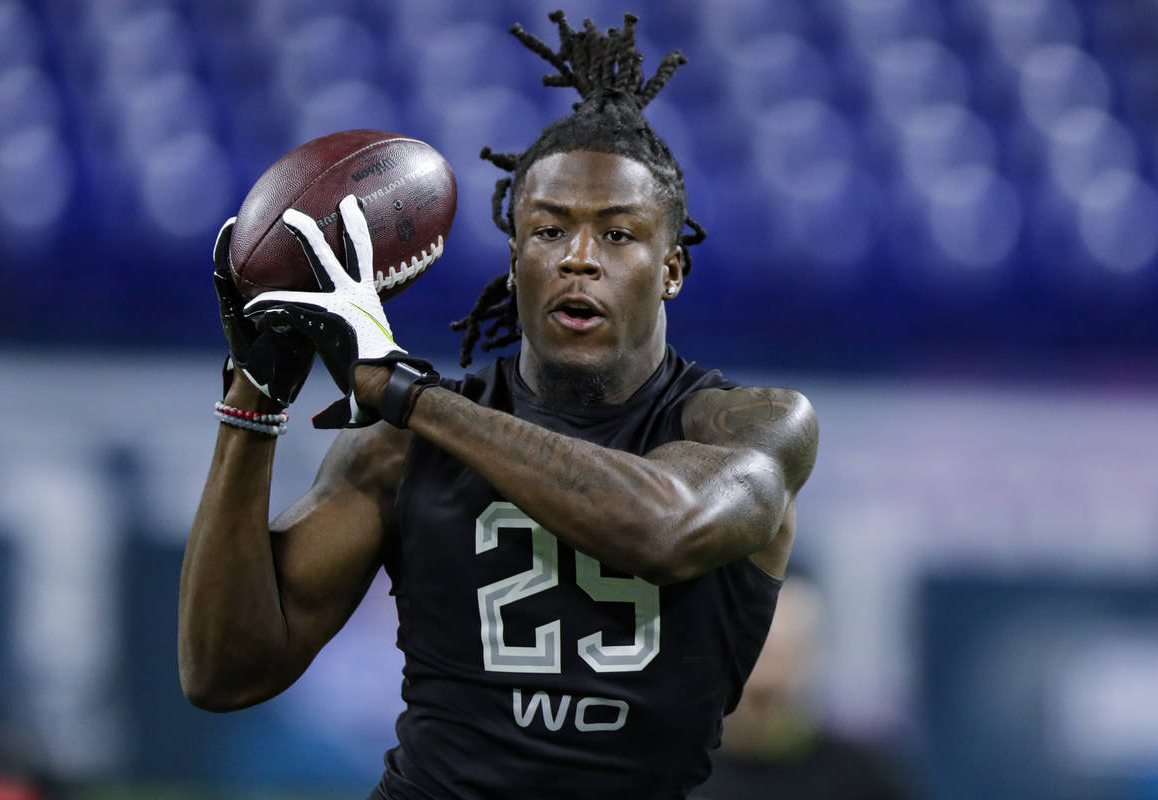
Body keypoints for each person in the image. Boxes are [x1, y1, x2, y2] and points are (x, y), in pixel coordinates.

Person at [178, 11, 818, 800]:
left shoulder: (755, 423)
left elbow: (666, 529)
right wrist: (254, 403)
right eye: (548, 232)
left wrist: (409, 396)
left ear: (672, 268)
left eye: (618, 236)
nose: (579, 256)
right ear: (516, 263)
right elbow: (224, 673)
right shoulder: (396, 447)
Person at [693, 574, 915, 799]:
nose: (769, 679)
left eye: (788, 656)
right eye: (758, 657)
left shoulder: (864, 778)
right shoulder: (677, 776)